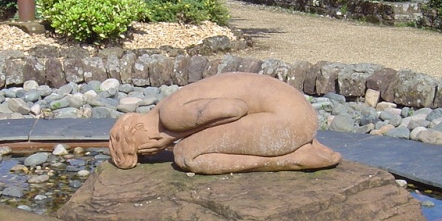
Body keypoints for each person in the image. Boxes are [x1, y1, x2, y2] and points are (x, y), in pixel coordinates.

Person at [108, 72, 342, 174]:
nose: (151, 151)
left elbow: (234, 109)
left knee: (187, 155)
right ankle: (303, 147)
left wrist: (173, 137)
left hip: (287, 124)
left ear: (136, 129)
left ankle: (294, 159)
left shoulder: (170, 116)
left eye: (142, 149)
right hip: (297, 116)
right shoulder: (168, 106)